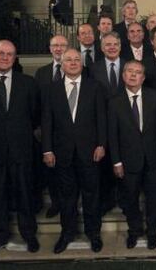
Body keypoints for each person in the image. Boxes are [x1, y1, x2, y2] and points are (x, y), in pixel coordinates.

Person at [41, 48, 107, 254]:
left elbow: (101, 119)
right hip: (62, 153)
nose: (72, 62)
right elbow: (47, 122)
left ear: (82, 63)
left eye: (76, 59)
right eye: (68, 59)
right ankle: (67, 233)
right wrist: (47, 150)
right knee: (66, 197)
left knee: (91, 196)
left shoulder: (94, 87)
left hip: (90, 152)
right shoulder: (52, 89)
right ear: (61, 64)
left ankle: (93, 233)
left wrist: (101, 145)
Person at [0, 40, 39, 260]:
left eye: (10, 54)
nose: (5, 58)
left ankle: (29, 235)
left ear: (15, 58)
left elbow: (34, 116)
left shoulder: (28, 83)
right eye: (1, 53)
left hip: (21, 150)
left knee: (25, 195)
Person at [108, 60, 156, 250]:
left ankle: (152, 233)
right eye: (129, 71)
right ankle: (134, 231)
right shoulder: (114, 102)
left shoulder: (155, 96)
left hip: (153, 158)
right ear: (123, 75)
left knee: (154, 199)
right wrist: (116, 161)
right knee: (130, 199)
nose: (133, 75)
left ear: (143, 77)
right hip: (127, 160)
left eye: (137, 72)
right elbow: (112, 135)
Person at [89, 31, 125, 215]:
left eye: (115, 44)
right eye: (108, 45)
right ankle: (108, 200)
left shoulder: (130, 66)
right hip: (101, 122)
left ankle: (125, 199)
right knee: (105, 164)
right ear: (102, 48)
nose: (112, 47)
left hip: (126, 123)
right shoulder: (94, 69)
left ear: (120, 46)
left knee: (125, 160)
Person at [34, 34, 69, 219]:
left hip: (71, 131)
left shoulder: (79, 70)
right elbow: (36, 103)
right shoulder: (42, 73)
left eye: (62, 45)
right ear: (50, 48)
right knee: (52, 171)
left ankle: (70, 202)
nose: (58, 48)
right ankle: (56, 203)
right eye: (55, 45)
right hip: (48, 131)